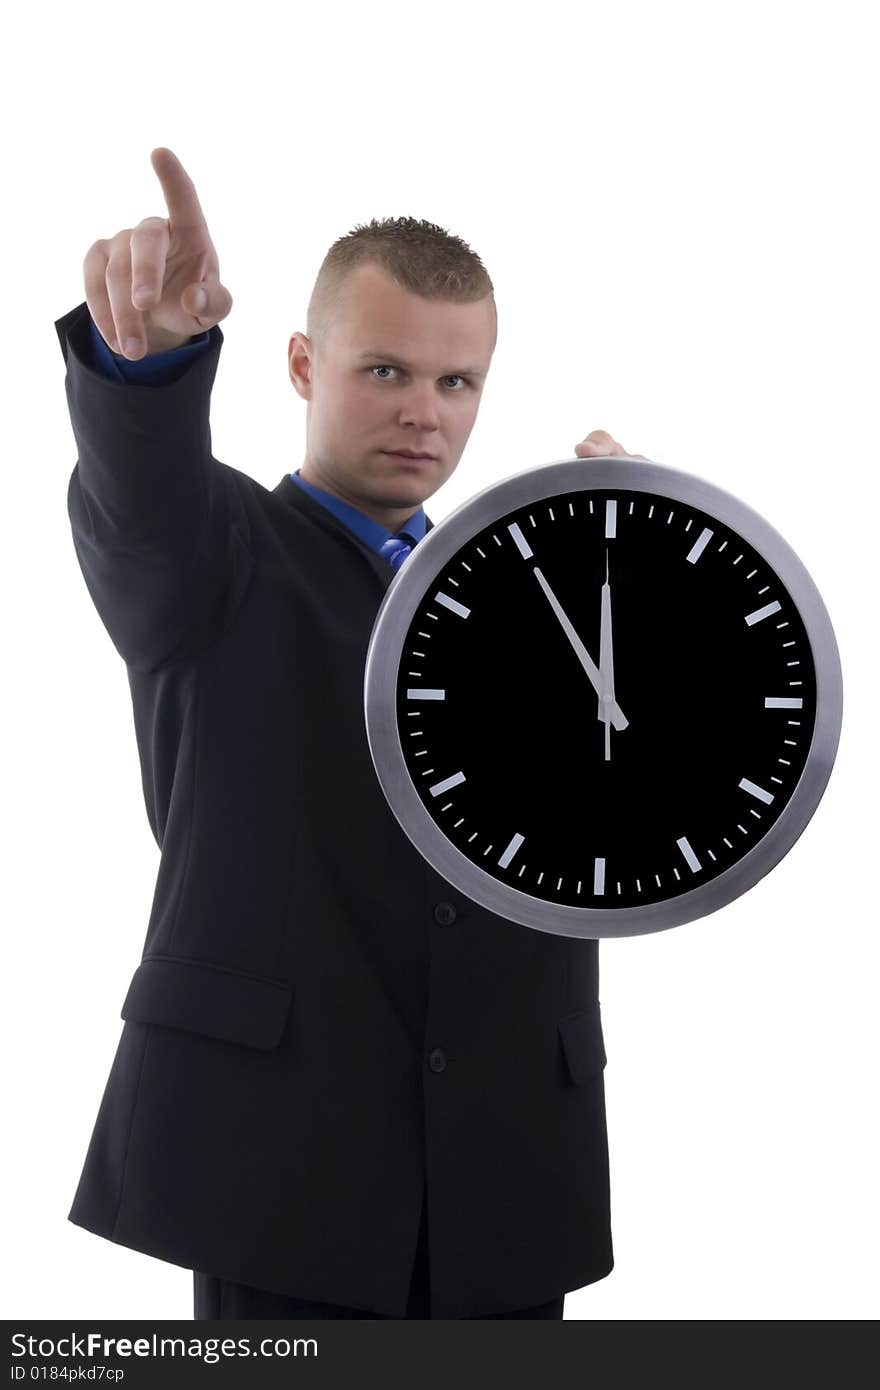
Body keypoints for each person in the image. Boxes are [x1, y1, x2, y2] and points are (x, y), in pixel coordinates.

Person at [56, 146, 642, 1320]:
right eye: (385, 370)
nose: (425, 413)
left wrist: (643, 605)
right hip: (284, 1173)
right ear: (301, 363)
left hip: (511, 1162)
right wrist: (148, 367)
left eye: (457, 381)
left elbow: (624, 802)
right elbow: (142, 494)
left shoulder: (537, 596)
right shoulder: (212, 553)